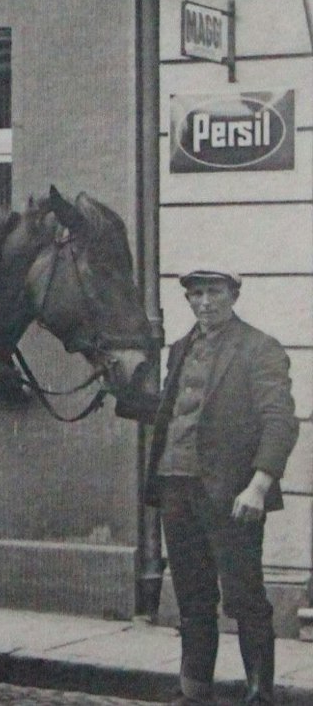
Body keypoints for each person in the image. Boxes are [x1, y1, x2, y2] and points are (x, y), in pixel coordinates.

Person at [146, 269, 299, 706]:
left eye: (214, 292)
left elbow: (280, 421)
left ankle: (259, 695)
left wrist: (259, 484)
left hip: (232, 495)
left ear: (234, 294)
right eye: (196, 294)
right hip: (176, 487)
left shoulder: (258, 348)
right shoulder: (179, 349)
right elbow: (171, 414)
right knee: (192, 597)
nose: (205, 302)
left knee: (245, 596)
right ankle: (194, 693)